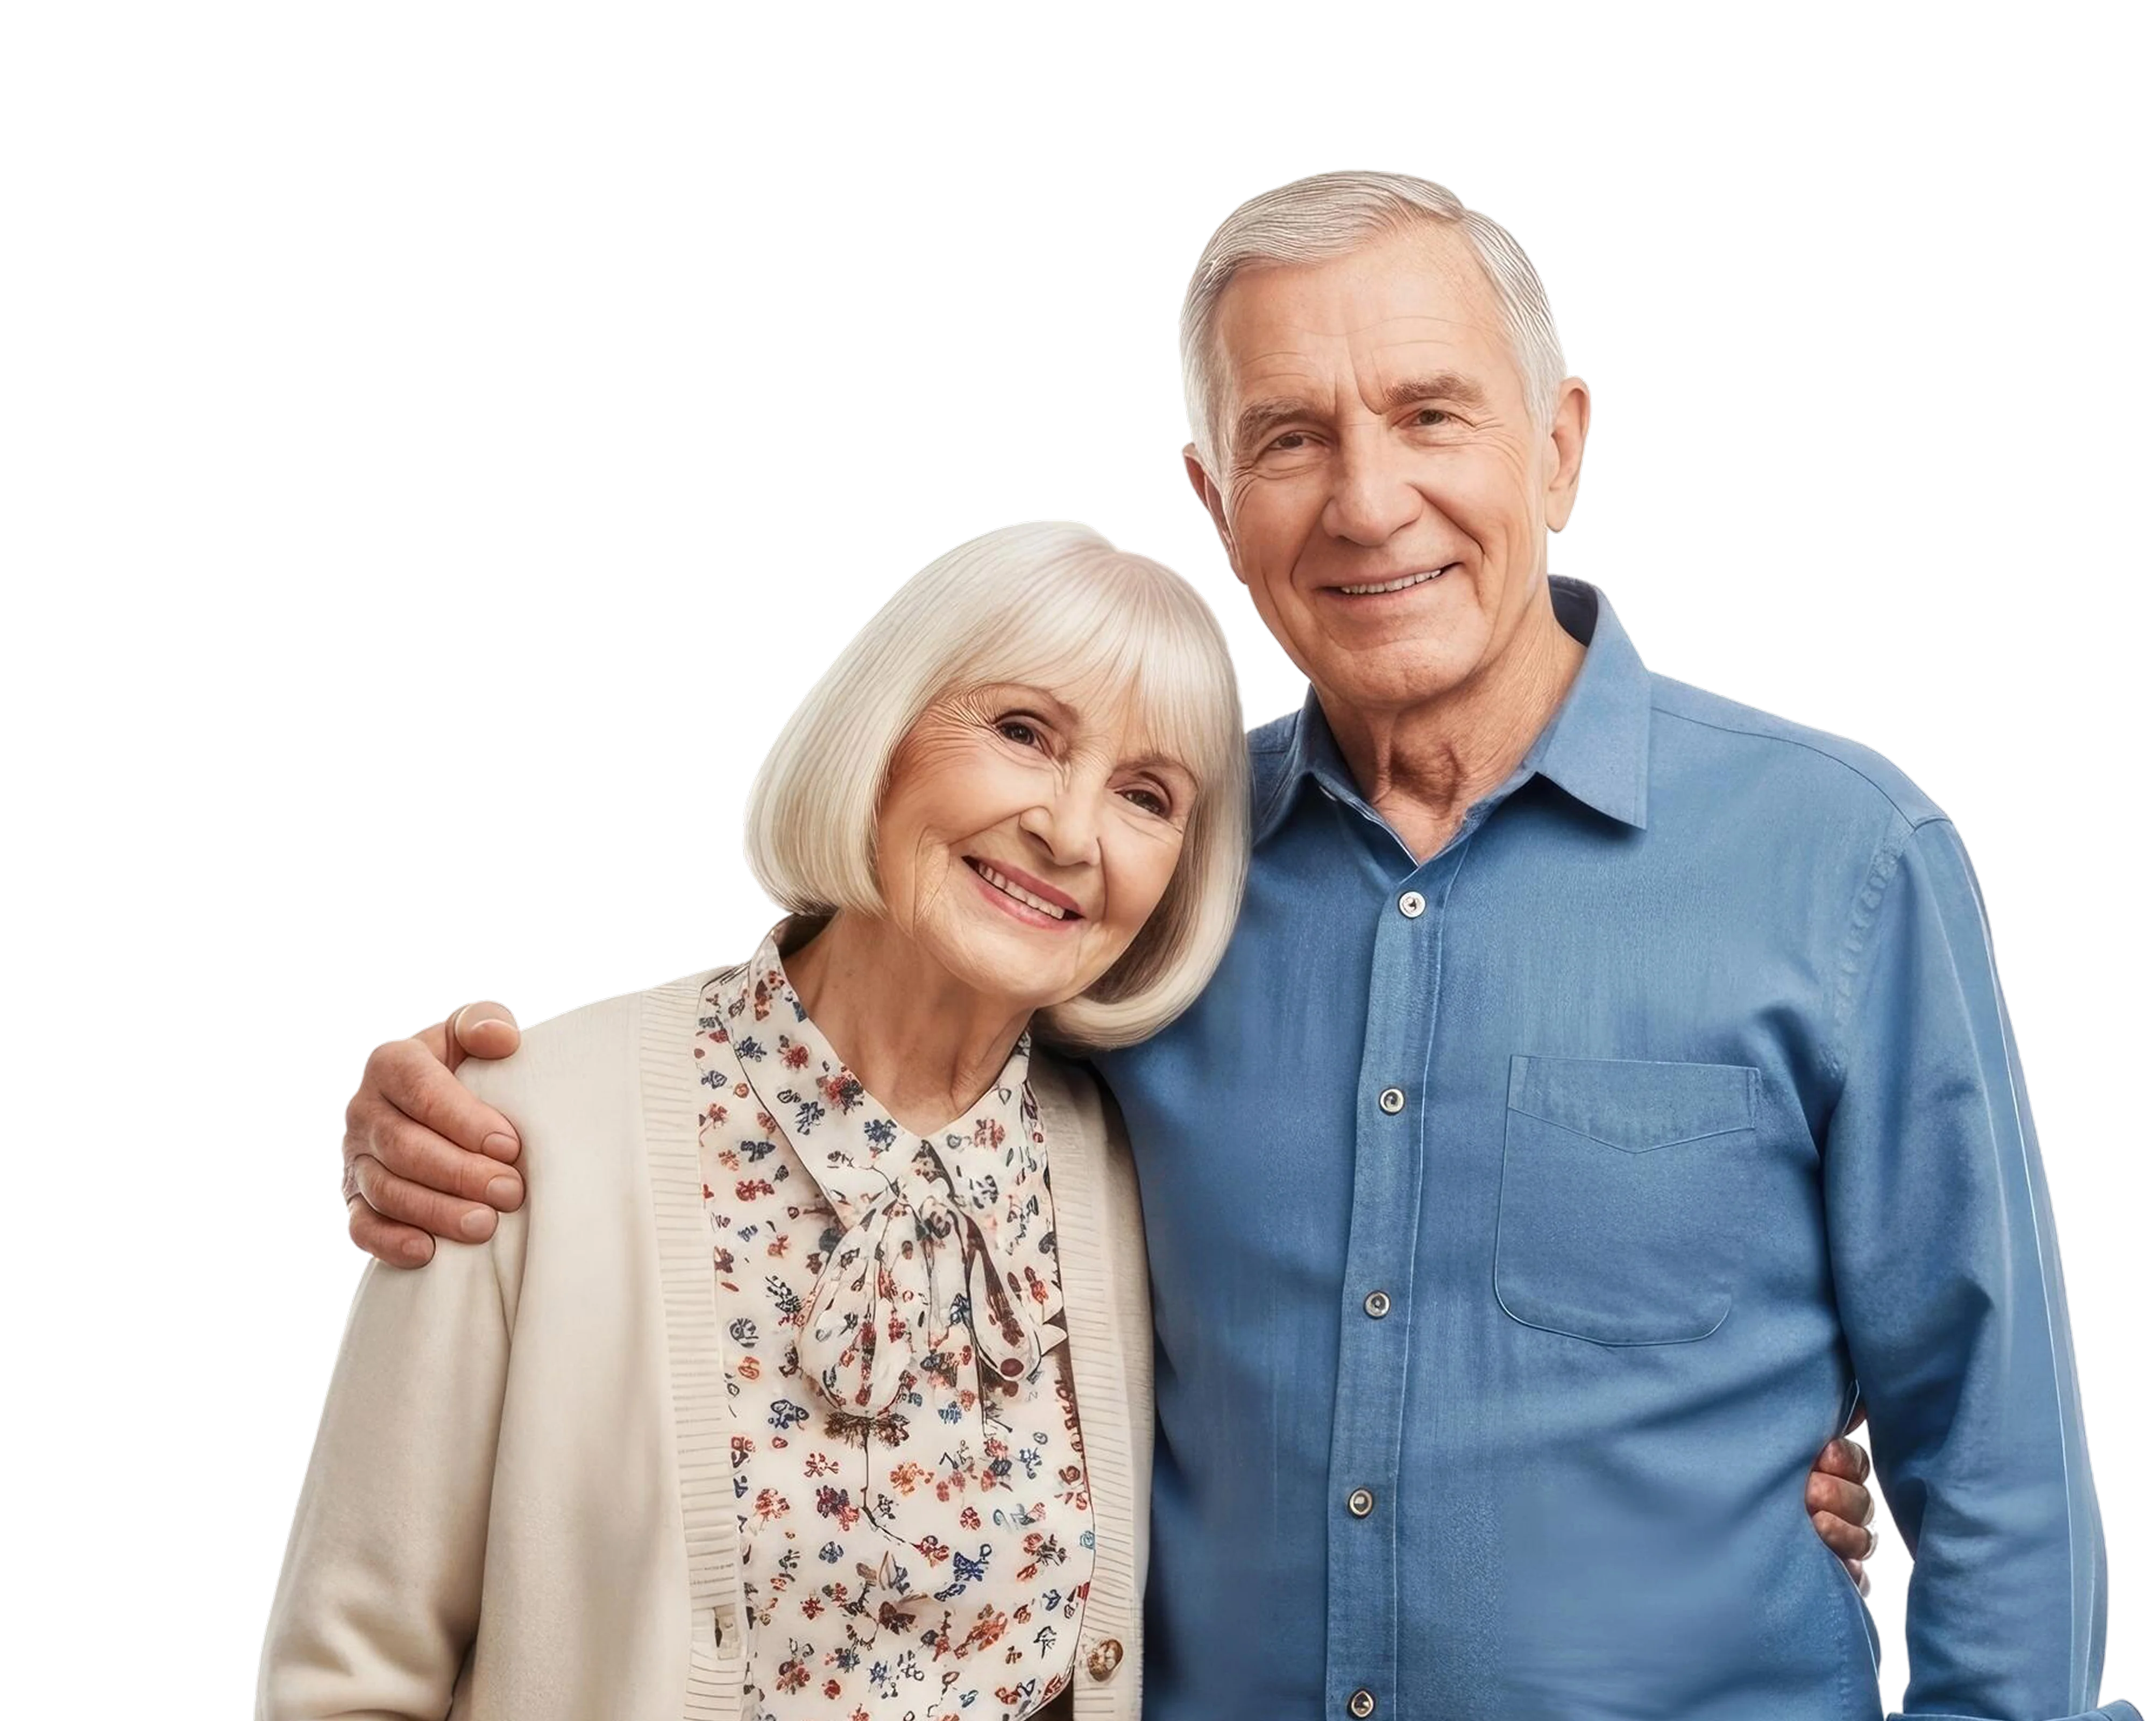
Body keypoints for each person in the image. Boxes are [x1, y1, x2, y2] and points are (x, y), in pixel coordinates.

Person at [320, 169, 2091, 1718]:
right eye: (1288, 437)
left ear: (1556, 440)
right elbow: (850, 1060)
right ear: (1210, 491)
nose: (1365, 499)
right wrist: (481, 1123)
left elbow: (1986, 1447)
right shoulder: (1144, 880)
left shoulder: (1839, 855)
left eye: (1427, 414)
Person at [258, 519, 1257, 1719]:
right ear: (883, 731)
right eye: (1023, 732)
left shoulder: (1129, 1171)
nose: (1072, 831)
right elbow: (345, 1678)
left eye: (1146, 796)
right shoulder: (523, 1132)